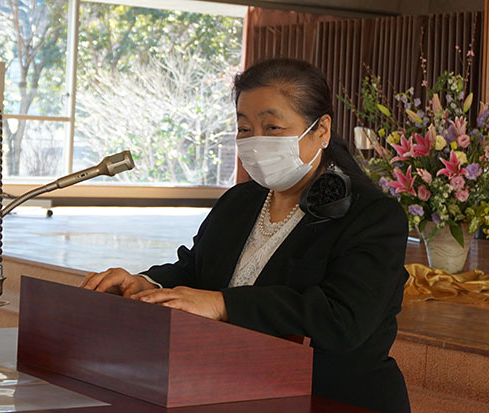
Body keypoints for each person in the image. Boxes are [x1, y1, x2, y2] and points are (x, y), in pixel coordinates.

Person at [82, 58, 411, 413]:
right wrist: (146, 285)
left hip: (334, 400)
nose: (256, 142)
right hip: (234, 390)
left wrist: (223, 305)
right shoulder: (240, 201)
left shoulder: (372, 215)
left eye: (272, 128)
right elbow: (195, 270)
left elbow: (342, 318)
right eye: (244, 129)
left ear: (322, 130)